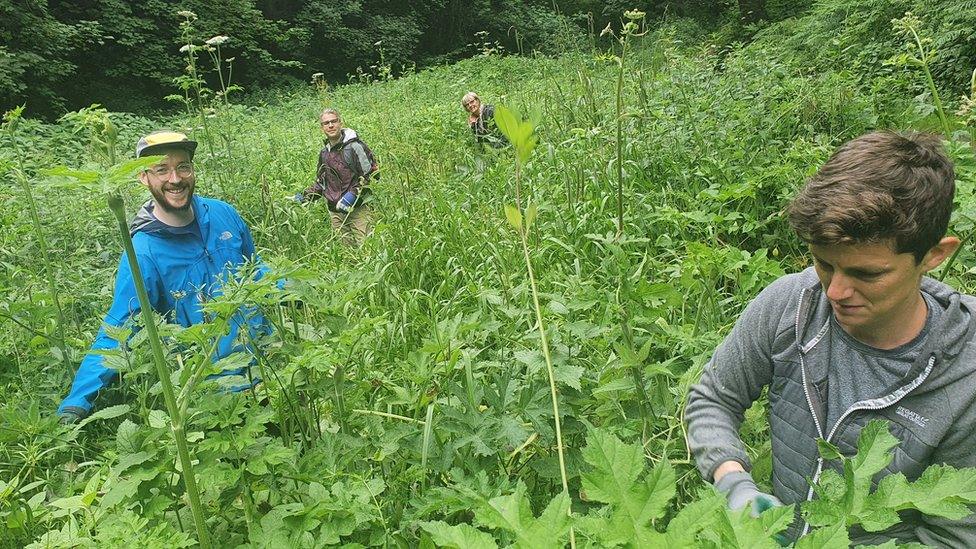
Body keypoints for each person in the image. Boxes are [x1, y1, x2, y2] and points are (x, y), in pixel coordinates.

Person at [685, 131, 976, 545]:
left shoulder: (966, 378)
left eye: (866, 274)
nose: (835, 292)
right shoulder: (790, 304)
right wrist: (734, 484)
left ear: (934, 255)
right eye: (824, 264)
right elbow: (713, 398)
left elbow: (954, 538)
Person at [58, 131, 272, 423]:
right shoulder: (142, 252)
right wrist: (75, 404)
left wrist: (291, 288)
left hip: (271, 367)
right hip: (217, 395)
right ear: (143, 178)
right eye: (161, 169)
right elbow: (119, 326)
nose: (175, 178)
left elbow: (254, 268)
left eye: (183, 166)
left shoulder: (223, 213)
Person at [297, 108, 378, 247]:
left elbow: (370, 173)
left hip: (358, 209)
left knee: (368, 249)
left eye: (333, 121)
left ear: (340, 122)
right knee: (348, 254)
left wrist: (352, 195)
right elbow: (323, 182)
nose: (330, 125)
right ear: (322, 128)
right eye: (326, 123)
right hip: (336, 213)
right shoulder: (324, 153)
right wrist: (304, 196)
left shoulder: (355, 147)